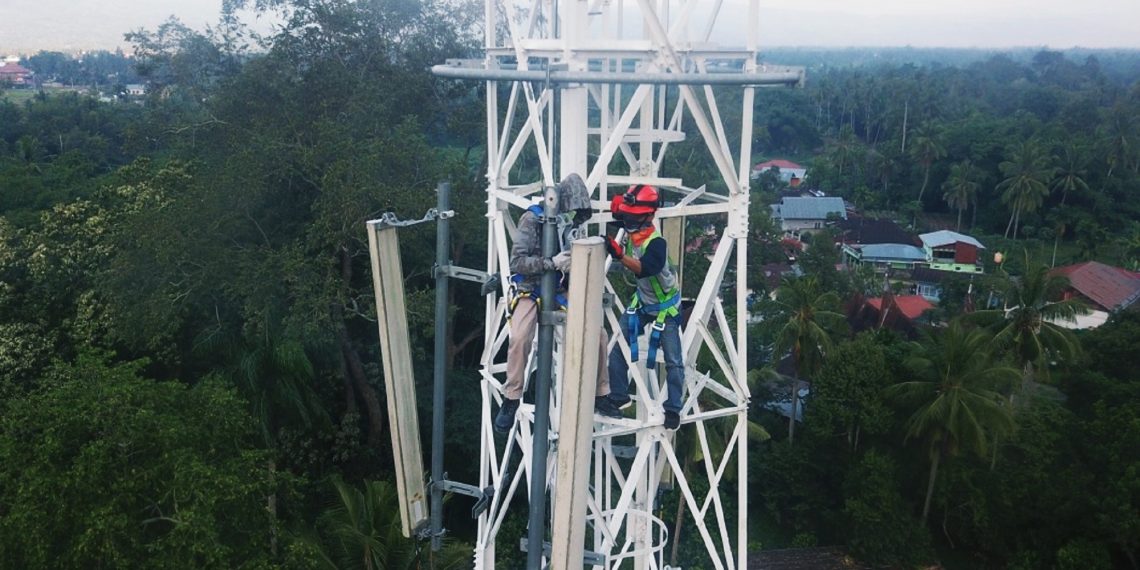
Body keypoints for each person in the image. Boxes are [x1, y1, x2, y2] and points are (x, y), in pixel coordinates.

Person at [495, 173, 624, 433]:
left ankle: (600, 393)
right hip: (531, 287)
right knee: (519, 336)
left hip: (561, 288)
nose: (574, 213)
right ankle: (511, 397)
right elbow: (517, 262)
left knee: (597, 334)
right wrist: (550, 262)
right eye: (571, 207)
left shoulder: (572, 227)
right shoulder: (532, 219)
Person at [603, 184, 684, 430]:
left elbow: (645, 268)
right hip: (642, 302)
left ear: (649, 216)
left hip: (665, 309)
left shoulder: (656, 243)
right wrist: (617, 206)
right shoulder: (631, 225)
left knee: (673, 360)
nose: (629, 220)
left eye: (634, 216)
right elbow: (618, 213)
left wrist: (619, 256)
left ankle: (673, 408)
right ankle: (618, 395)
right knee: (618, 349)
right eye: (628, 215)